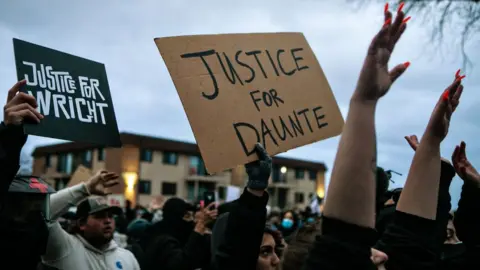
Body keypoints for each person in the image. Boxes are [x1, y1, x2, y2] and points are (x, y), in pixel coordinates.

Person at [41, 170, 140, 270]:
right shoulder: (64, 248)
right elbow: (43, 211)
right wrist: (85, 188)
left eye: (110, 216)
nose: (108, 221)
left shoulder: (127, 258)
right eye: (100, 216)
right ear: (81, 223)